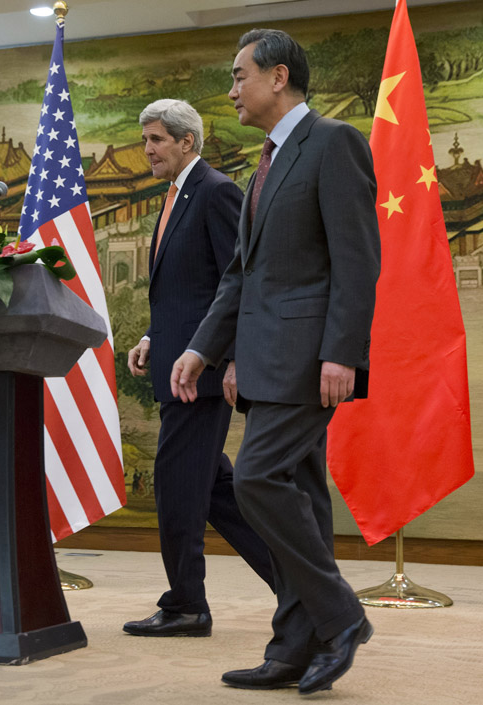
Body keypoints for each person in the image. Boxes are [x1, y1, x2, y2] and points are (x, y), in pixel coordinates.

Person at [170, 30, 381, 694]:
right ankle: (294, 644)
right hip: (262, 362)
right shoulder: (259, 164)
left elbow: (357, 259)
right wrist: (206, 348)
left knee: (255, 479)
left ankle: (341, 616)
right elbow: (240, 277)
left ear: (278, 76)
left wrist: (342, 352)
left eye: (239, 77)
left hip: (306, 359)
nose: (231, 90)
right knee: (305, 502)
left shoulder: (334, 143)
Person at [123, 99, 274, 638]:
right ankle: (303, 587)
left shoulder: (215, 192)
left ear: (188, 141)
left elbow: (239, 282)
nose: (148, 150)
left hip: (201, 376)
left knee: (176, 489)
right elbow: (189, 290)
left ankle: (187, 605)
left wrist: (230, 357)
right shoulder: (176, 195)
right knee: (216, 494)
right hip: (176, 364)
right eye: (146, 141)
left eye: (157, 140)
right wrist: (151, 338)